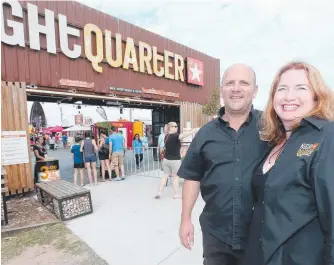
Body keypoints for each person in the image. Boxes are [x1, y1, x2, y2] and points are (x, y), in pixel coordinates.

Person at [243, 62, 334, 265]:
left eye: (301, 88)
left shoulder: (327, 136)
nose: (288, 96)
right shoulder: (276, 142)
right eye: (282, 89)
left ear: (316, 95)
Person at [178, 64, 268, 265]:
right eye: (230, 83)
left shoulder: (271, 126)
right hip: (216, 236)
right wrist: (185, 219)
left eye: (244, 83)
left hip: (259, 234)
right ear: (221, 90)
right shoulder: (205, 134)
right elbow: (192, 177)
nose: (236, 88)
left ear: (255, 91)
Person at [155, 122, 198, 199]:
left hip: (166, 159)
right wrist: (194, 130)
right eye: (175, 126)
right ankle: (175, 194)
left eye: (176, 126)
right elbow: (184, 135)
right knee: (175, 177)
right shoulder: (176, 135)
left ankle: (159, 192)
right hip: (175, 160)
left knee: (165, 176)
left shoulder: (166, 136)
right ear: (170, 127)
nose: (176, 127)